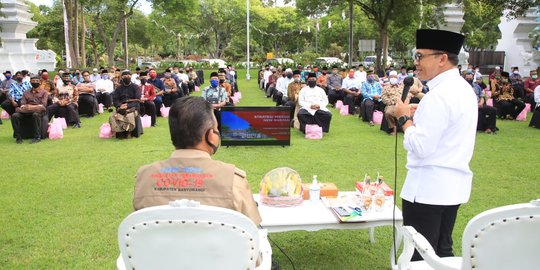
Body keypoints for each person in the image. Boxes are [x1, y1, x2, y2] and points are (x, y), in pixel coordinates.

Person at [395, 29, 478, 261]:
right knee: (442, 253)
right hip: (453, 187)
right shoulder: (463, 89)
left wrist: (404, 119)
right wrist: (419, 116)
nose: (416, 62)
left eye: (420, 56)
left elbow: (421, 146)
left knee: (420, 257)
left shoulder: (438, 95)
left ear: (442, 58)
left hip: (427, 189)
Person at [133, 96, 262, 226]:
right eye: (217, 129)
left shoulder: (144, 177)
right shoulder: (233, 179)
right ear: (210, 135)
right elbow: (251, 227)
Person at [11, 76, 48, 144]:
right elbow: (22, 104)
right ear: (30, 82)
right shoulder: (26, 92)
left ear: (40, 82)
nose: (35, 83)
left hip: (38, 111)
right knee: (15, 115)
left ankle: (37, 137)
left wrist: (31, 107)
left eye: (36, 81)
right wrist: (28, 107)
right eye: (33, 81)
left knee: (36, 114)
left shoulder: (44, 92)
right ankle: (18, 137)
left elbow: (43, 105)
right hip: (26, 111)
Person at [111, 70, 143, 139]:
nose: (127, 77)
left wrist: (127, 106)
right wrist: (120, 106)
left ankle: (129, 131)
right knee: (113, 116)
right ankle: (120, 131)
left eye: (128, 76)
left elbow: (137, 100)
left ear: (131, 76)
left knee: (129, 115)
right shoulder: (118, 88)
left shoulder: (136, 87)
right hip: (121, 107)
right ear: (122, 77)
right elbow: (115, 99)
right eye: (125, 76)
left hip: (133, 106)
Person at [381, 71, 403, 135]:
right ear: (389, 78)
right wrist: (392, 102)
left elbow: (405, 96)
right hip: (391, 104)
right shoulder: (385, 87)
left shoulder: (401, 87)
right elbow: (383, 97)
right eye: (392, 77)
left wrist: (400, 102)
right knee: (388, 113)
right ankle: (393, 128)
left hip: (401, 104)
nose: (393, 78)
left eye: (395, 77)